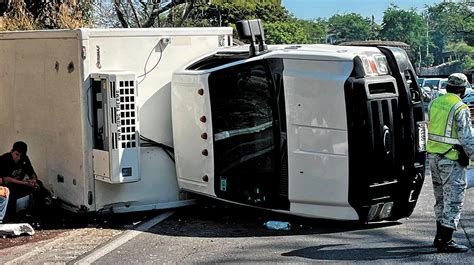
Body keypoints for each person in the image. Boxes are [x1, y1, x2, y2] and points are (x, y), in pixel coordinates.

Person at [427, 73, 473, 253]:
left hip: (434, 158)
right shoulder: (460, 107)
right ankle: (445, 241)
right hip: (451, 159)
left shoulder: (435, 103)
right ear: (462, 89)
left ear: (447, 87)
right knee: (453, 200)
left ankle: (439, 237)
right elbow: (467, 138)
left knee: (440, 199)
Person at [0, 141, 47, 219]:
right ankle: (10, 217)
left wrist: (33, 180)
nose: (18, 158)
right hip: (5, 185)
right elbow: (7, 179)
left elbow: (31, 173)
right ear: (12, 151)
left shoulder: (25, 159)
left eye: (21, 156)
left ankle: (36, 213)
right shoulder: (4, 160)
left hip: (19, 184)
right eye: (16, 154)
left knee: (38, 186)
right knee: (10, 192)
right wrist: (25, 183)